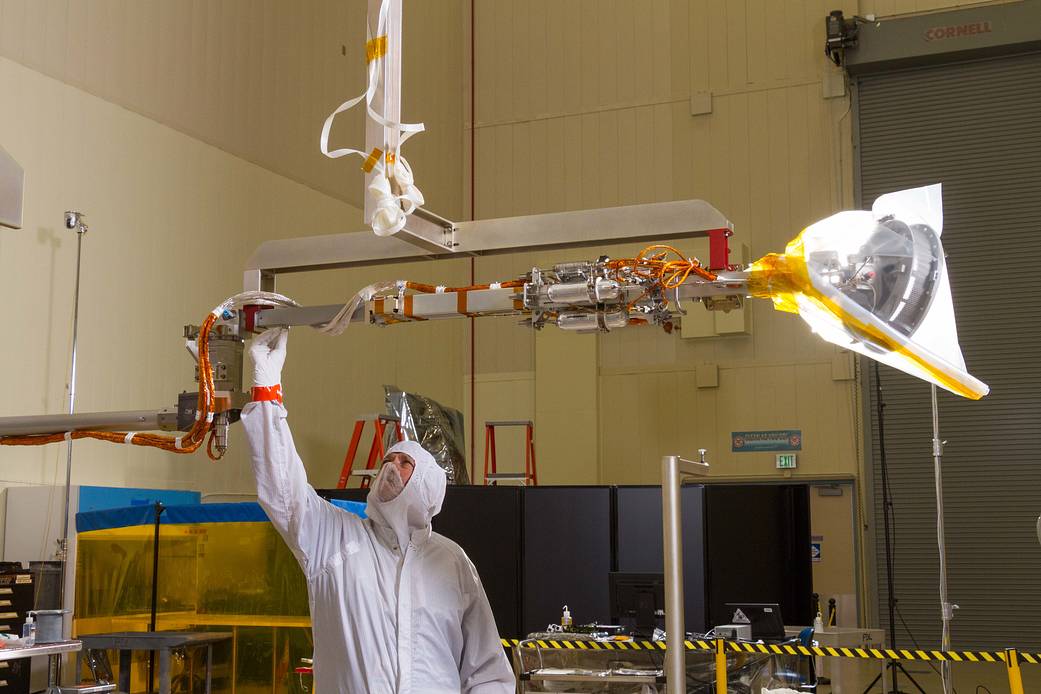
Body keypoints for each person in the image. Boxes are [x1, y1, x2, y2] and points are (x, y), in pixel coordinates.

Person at [241, 328, 515, 693]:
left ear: (429, 485)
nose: (390, 466)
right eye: (388, 459)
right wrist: (266, 389)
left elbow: (488, 672)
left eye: (404, 462)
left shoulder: (452, 563)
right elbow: (283, 490)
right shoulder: (336, 541)